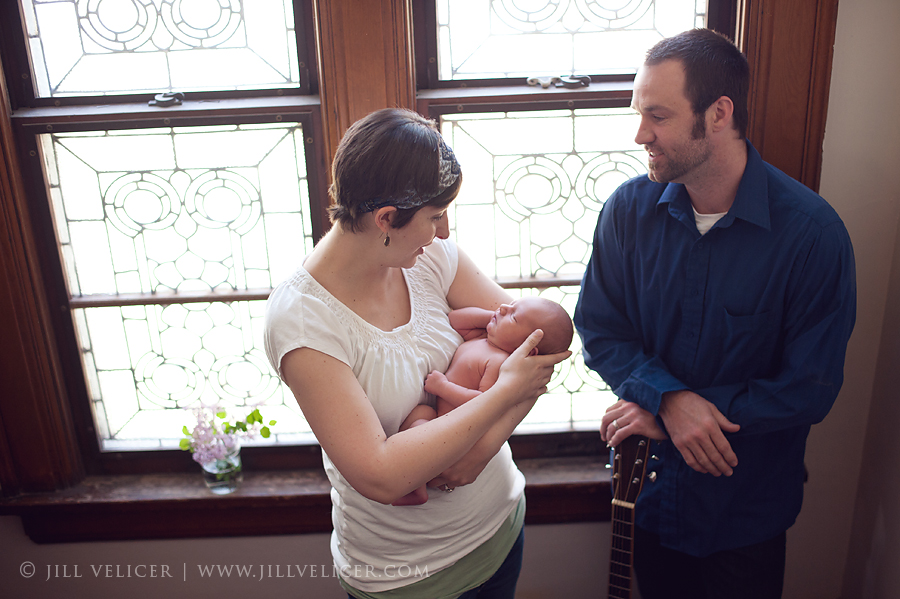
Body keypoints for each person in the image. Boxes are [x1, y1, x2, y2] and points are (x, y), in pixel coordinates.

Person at [573, 28, 856, 599]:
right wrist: (670, 402)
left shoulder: (812, 235)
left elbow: (810, 388)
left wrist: (696, 413)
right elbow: (601, 330)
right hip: (648, 496)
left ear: (718, 113)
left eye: (658, 116)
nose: (639, 134)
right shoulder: (628, 212)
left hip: (745, 512)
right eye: (638, 113)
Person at [264, 108, 570, 599]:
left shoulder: (430, 258)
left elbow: (540, 350)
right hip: (408, 577)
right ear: (386, 219)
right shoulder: (303, 321)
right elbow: (383, 475)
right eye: (434, 217)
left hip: (500, 527)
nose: (444, 232)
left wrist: (484, 449)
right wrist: (503, 395)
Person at [393, 297, 574, 505]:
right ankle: (414, 480)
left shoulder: (499, 363)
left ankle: (416, 487)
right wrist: (495, 316)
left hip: (457, 437)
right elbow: (455, 319)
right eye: (511, 305)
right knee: (419, 414)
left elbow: (482, 403)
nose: (503, 308)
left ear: (528, 348)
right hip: (441, 423)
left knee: (419, 426)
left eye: (513, 317)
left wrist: (443, 387)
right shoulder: (481, 338)